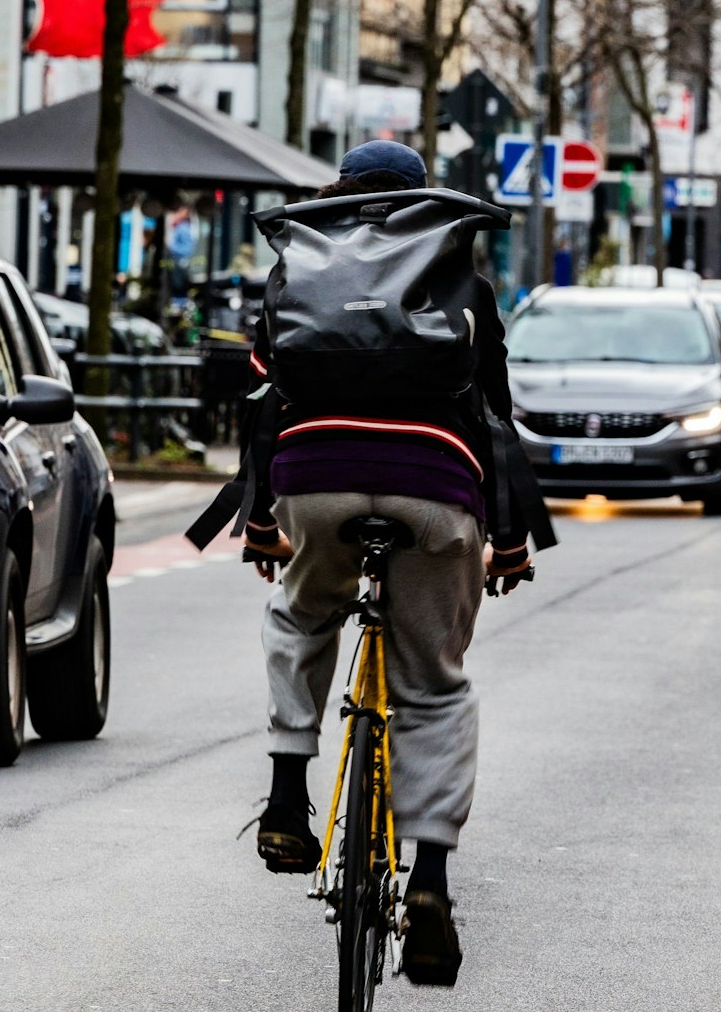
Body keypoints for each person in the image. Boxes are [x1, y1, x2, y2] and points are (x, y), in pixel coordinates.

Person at [241, 140, 542, 987]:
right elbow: (495, 420)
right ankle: (434, 880)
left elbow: (265, 399)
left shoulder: (297, 270)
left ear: (341, 193)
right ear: (424, 203)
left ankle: (284, 795)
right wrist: (511, 537)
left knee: (301, 613)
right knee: (436, 682)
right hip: (435, 482)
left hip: (315, 473)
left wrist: (262, 517)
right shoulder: (464, 284)